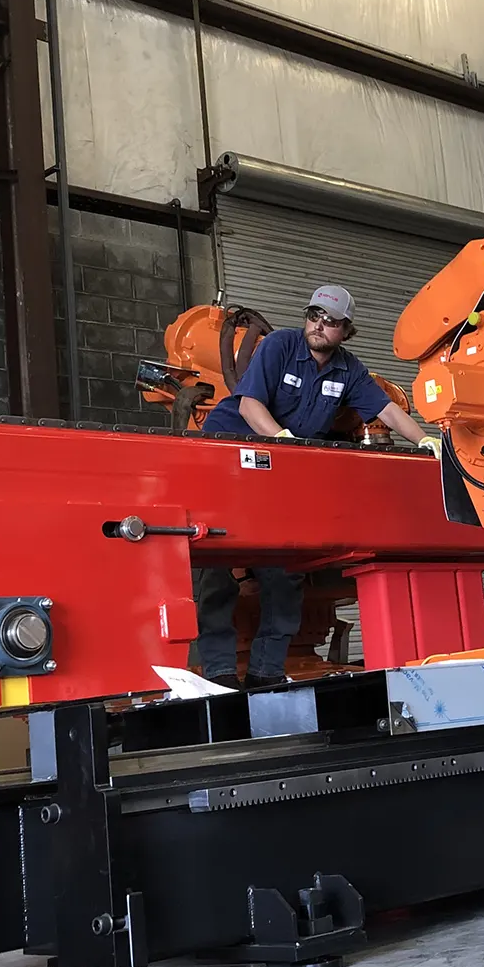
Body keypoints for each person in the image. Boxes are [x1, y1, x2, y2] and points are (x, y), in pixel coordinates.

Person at [193, 285, 437, 689]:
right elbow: (250, 404)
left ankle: (266, 673)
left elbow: (385, 409)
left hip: (283, 471)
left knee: (284, 569)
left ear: (346, 331)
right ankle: (219, 672)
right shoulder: (280, 346)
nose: (319, 325)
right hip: (231, 455)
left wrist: (425, 440)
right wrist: (280, 438)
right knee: (217, 563)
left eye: (331, 321)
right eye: (314, 315)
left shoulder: (348, 369)